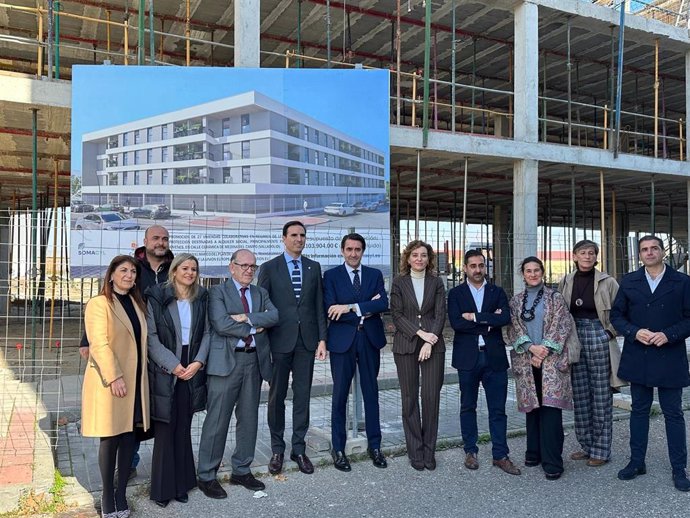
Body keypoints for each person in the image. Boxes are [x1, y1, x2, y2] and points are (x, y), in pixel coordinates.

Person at [79, 225, 173, 481]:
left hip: (160, 350)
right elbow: (103, 318)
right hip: (130, 355)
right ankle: (127, 465)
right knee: (124, 415)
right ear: (145, 241)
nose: (160, 242)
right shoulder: (135, 267)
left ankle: (161, 464)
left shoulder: (174, 267)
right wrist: (86, 340)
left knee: (146, 410)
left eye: (164, 238)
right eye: (155, 238)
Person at [611, 235, 690, 492]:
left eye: (654, 248)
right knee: (639, 411)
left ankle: (679, 469)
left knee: (673, 413)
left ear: (662, 251)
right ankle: (636, 462)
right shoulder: (630, 281)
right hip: (639, 354)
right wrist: (634, 332)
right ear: (640, 254)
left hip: (670, 355)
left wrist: (669, 334)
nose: (649, 252)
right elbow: (616, 316)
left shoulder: (682, 281)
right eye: (644, 249)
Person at [197, 249, 279, 498]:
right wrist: (255, 327)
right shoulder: (217, 292)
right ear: (231, 267)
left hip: (253, 363)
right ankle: (207, 475)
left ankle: (241, 469)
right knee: (217, 420)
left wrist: (246, 317)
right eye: (243, 265)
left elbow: (274, 316)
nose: (249, 270)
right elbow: (221, 324)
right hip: (225, 365)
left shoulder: (260, 292)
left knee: (249, 418)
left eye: (253, 266)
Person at [82, 255, 150, 518]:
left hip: (135, 382)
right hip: (111, 383)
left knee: (129, 437)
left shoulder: (136, 302)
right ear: (111, 275)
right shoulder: (99, 304)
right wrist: (115, 377)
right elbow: (98, 343)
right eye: (123, 270)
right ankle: (107, 497)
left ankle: (121, 493)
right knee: (110, 438)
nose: (129, 275)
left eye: (133, 271)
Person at [258, 220, 328, 475]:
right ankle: (277, 448)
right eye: (294, 235)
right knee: (276, 397)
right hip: (279, 342)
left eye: (302, 235)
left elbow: (318, 305)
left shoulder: (313, 267)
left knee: (302, 396)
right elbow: (262, 307)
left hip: (306, 342)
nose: (299, 239)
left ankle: (298, 449)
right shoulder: (269, 268)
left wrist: (322, 339)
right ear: (284, 238)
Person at [146, 253, 210, 507]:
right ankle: (163, 489)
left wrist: (198, 362)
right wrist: (173, 365)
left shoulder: (201, 297)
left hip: (192, 363)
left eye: (194, 269)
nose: (190, 273)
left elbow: (208, 332)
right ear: (174, 271)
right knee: (165, 427)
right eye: (185, 268)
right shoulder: (156, 296)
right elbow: (151, 338)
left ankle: (182, 484)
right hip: (166, 365)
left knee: (184, 425)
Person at [447, 250, 520, 475]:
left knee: (497, 409)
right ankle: (470, 450)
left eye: (481, 265)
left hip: (494, 357)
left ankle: (500, 454)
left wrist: (476, 316)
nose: (478, 270)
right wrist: (489, 320)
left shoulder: (496, 292)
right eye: (473, 266)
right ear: (465, 268)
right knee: (468, 406)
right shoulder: (455, 294)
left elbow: (504, 318)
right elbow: (456, 323)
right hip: (467, 357)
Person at [323, 233, 389, 472]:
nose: (353, 254)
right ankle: (339, 449)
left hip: (369, 339)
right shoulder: (331, 276)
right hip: (342, 342)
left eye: (357, 249)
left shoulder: (374, 275)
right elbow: (330, 309)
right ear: (342, 251)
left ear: (363, 251)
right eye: (349, 249)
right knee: (340, 395)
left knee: (371, 393)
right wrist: (366, 308)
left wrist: (350, 306)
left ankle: (375, 446)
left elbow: (383, 303)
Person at [505, 256, 573, 480]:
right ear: (522, 274)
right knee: (533, 409)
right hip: (527, 360)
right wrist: (531, 348)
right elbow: (513, 329)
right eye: (528, 271)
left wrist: (543, 350)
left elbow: (561, 325)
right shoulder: (515, 302)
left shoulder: (555, 298)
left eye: (536, 270)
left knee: (551, 411)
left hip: (551, 361)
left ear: (542, 272)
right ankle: (533, 452)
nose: (532, 274)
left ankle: (553, 461)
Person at [559, 239, 624, 467]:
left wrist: (608, 334)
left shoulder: (608, 282)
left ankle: (601, 449)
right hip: (574, 338)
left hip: (599, 335)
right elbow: (560, 313)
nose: (587, 256)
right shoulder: (566, 281)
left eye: (591, 253)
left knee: (601, 395)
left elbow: (622, 312)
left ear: (596, 257)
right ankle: (586, 445)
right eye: (582, 253)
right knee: (581, 395)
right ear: (574, 256)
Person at [389, 240, 446, 471]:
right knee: (409, 398)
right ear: (408, 258)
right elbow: (397, 315)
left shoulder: (437, 282)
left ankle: (429, 451)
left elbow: (441, 313)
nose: (419, 259)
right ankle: (415, 451)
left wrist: (430, 340)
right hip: (406, 344)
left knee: (431, 398)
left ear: (429, 258)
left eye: (423, 255)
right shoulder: (399, 282)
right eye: (415, 255)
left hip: (433, 345)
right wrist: (421, 334)